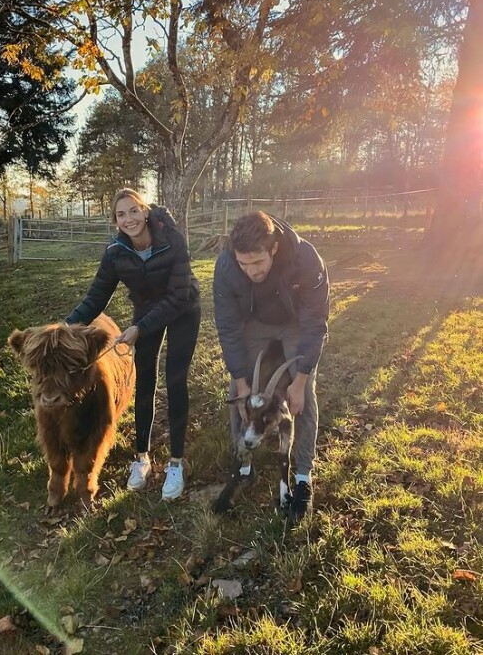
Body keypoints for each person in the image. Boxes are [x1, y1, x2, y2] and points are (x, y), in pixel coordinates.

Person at [66, 189, 201, 501]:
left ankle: (176, 463)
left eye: (133, 211)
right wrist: (65, 326)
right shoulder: (115, 253)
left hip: (184, 308)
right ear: (115, 221)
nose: (128, 219)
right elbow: (96, 297)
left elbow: (178, 295)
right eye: (120, 215)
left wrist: (139, 328)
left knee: (176, 379)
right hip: (145, 310)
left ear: (145, 210)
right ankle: (141, 458)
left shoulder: (172, 239)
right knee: (145, 382)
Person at [213, 211, 329, 522]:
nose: (250, 271)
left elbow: (315, 324)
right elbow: (227, 325)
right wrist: (239, 378)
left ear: (273, 248)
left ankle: (302, 477)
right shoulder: (226, 266)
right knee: (240, 393)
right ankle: (244, 467)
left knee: (301, 397)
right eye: (243, 264)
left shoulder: (306, 260)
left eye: (258, 263)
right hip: (255, 323)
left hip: (295, 323)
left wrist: (301, 380)